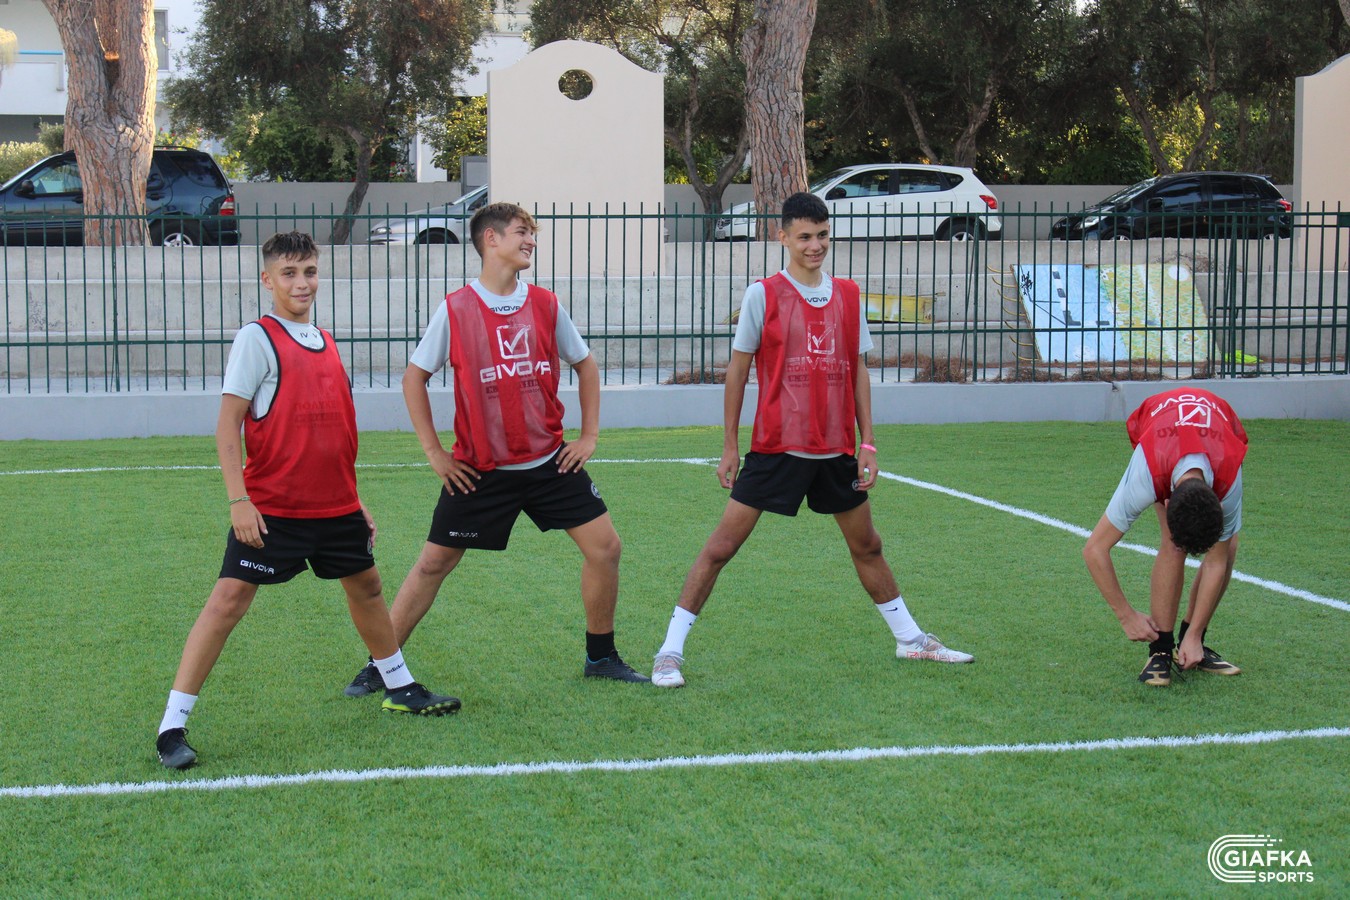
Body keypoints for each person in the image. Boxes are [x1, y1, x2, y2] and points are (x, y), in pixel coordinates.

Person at [155, 231, 459, 770]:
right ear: (267, 279)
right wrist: (238, 500)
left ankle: (399, 686)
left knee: (367, 588)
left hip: (336, 506)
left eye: (310, 272)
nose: (302, 283)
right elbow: (227, 426)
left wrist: (355, 499)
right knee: (228, 602)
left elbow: (334, 431)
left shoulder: (327, 340)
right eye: (289, 273)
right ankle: (172, 727)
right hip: (274, 509)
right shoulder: (257, 338)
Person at [650, 192, 973, 688]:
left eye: (822, 235)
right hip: (777, 448)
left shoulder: (848, 294)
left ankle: (911, 640)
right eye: (804, 236)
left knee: (868, 545)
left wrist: (868, 443)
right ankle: (669, 652)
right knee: (720, 548)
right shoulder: (762, 295)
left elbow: (858, 370)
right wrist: (730, 445)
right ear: (782, 237)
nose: (815, 245)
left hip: (836, 450)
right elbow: (737, 372)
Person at [343, 202, 648, 697]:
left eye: (532, 233)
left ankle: (601, 657)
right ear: (491, 239)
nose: (531, 241)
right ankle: (382, 667)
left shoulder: (546, 304)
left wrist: (589, 436)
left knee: (606, 548)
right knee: (433, 564)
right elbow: (414, 378)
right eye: (521, 232)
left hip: (550, 463)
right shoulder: (456, 308)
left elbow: (586, 365)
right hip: (481, 471)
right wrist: (435, 453)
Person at [1083, 387, 1248, 686]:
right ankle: (1160, 649)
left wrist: (1195, 633)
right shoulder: (1146, 472)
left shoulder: (1229, 476)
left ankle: (1192, 639)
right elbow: (1094, 549)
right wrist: (1126, 616)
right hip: (1159, 427)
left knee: (1228, 547)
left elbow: (1216, 562)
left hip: (1219, 428)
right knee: (1173, 546)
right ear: (1167, 502)